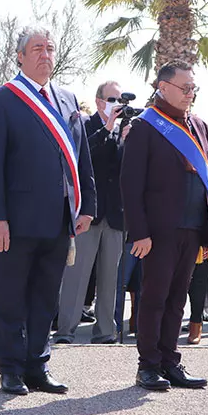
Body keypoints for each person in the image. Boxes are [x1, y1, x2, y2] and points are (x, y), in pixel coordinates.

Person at [0, 25, 96, 395]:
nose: (45, 54)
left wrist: (87, 204)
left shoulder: (67, 98)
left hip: (60, 217)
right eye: (37, 48)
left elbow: (81, 158)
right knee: (11, 296)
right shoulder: (0, 99)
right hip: (15, 219)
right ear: (20, 56)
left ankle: (37, 365)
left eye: (49, 48)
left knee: (46, 297)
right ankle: (10, 368)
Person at [120, 60, 208, 391]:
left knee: (177, 299)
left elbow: (207, 178)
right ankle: (148, 365)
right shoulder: (145, 126)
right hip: (158, 230)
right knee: (154, 297)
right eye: (184, 88)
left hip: (191, 226)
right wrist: (139, 232)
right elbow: (130, 185)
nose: (190, 94)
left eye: (193, 89)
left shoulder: (200, 125)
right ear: (163, 87)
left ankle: (171, 361)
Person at [56, 80, 128, 344]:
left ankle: (106, 330)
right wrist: (107, 129)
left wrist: (126, 140)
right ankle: (66, 330)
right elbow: (81, 156)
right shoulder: (85, 125)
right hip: (88, 213)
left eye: (119, 100)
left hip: (115, 215)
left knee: (110, 277)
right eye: (111, 100)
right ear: (99, 102)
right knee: (77, 274)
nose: (116, 105)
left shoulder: (125, 130)